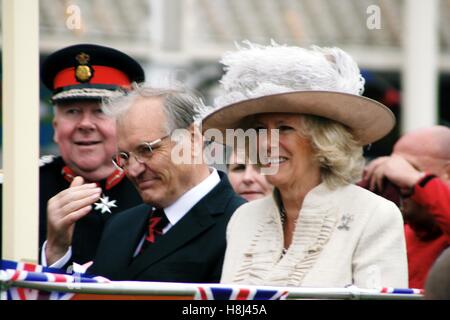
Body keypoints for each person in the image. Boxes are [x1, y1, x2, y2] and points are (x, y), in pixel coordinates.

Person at [202, 42, 408, 288]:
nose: (268, 143)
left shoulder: (374, 215)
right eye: (259, 130)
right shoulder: (243, 219)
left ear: (322, 139)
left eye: (284, 128)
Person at [71, 84, 245, 282]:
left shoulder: (242, 226)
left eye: (146, 150)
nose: (133, 170)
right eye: (124, 157)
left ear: (193, 139)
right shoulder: (120, 226)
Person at [40, 44, 144, 266]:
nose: (85, 124)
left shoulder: (150, 188)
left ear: (125, 124)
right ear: (56, 126)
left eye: (101, 111)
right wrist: (55, 249)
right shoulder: (19, 192)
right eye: (72, 111)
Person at [363, 125, 450, 289]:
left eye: (409, 167)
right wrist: (369, 184)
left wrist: (415, 179)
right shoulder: (396, 232)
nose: (396, 177)